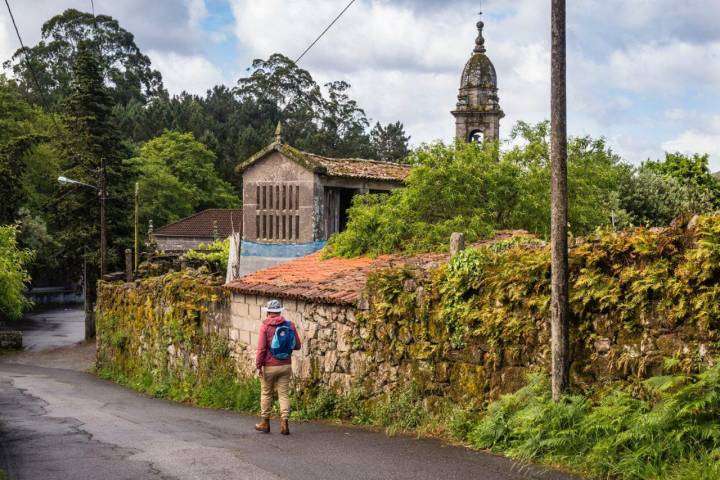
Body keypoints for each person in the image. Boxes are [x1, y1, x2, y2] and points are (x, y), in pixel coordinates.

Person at [254, 299, 301, 435]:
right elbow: (297, 345)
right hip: (285, 365)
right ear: (280, 311)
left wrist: (259, 366)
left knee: (266, 393)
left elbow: (261, 349)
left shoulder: (265, 326)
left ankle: (265, 423)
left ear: (268, 312)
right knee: (284, 394)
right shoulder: (290, 325)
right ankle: (284, 424)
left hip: (269, 366)